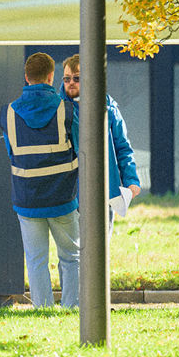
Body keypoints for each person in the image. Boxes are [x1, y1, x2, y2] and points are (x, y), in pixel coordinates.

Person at [0, 51, 79, 308]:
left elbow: (12, 153)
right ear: (50, 76)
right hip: (62, 196)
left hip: (26, 198)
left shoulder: (8, 113)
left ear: (26, 77)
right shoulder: (67, 110)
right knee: (70, 256)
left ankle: (43, 310)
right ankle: (71, 307)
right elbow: (79, 148)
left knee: (36, 260)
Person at [61, 55, 141, 232]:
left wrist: (131, 180)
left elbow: (123, 147)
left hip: (103, 189)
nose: (71, 83)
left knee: (101, 247)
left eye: (77, 78)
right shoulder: (58, 108)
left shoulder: (109, 108)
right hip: (69, 194)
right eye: (67, 78)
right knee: (73, 254)